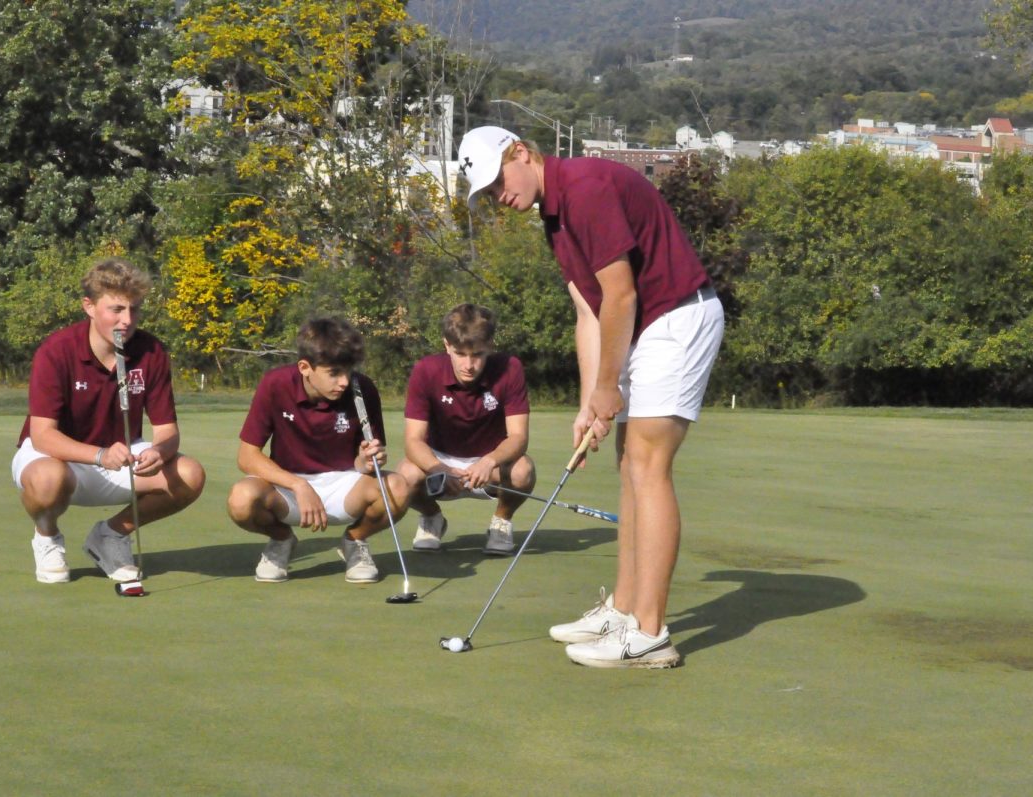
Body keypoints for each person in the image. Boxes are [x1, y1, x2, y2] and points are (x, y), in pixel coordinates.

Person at [457, 126, 724, 669]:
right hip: (646, 326)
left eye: (497, 182)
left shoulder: (586, 188)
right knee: (629, 465)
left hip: (677, 316)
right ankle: (624, 610)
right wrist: (589, 402)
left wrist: (609, 387)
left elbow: (622, 293)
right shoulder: (555, 217)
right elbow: (589, 312)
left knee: (648, 465)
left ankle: (648, 633)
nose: (498, 197)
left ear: (522, 153)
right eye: (486, 194)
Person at [12, 257, 207, 585]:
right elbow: (43, 436)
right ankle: (46, 537)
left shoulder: (151, 352)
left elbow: (168, 431)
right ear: (88, 306)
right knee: (48, 479)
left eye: (134, 309)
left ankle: (111, 535)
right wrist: (99, 455)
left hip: (121, 457)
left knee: (189, 474)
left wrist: (160, 452)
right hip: (58, 458)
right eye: (116, 309)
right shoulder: (56, 351)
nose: (127, 320)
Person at [227, 317, 410, 584]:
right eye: (334, 372)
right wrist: (299, 485)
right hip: (288, 488)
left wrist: (366, 461)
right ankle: (282, 540)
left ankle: (355, 541)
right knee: (241, 499)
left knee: (399, 488)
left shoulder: (363, 388)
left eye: (349, 371)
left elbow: (365, 464)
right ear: (305, 367)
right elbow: (247, 456)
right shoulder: (275, 384)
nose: (345, 381)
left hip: (346, 485)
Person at [397, 303, 536, 555]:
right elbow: (413, 441)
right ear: (447, 345)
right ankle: (432, 518)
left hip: (490, 463)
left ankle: (501, 522)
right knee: (405, 475)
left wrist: (489, 461)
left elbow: (518, 436)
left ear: (490, 346)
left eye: (478, 355)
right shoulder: (425, 370)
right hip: (440, 460)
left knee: (522, 470)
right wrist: (441, 469)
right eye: (460, 354)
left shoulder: (510, 368)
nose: (469, 365)